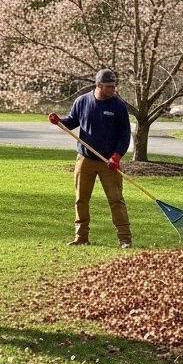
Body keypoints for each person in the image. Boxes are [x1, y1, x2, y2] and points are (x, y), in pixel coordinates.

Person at [49, 68, 132, 248]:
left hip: (108, 162)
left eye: (114, 86)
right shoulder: (82, 101)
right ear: (98, 85)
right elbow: (72, 121)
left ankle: (124, 238)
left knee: (116, 200)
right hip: (85, 160)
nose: (113, 89)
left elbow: (125, 135)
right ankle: (81, 237)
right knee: (81, 199)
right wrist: (59, 121)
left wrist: (117, 156)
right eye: (109, 86)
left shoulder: (118, 105)